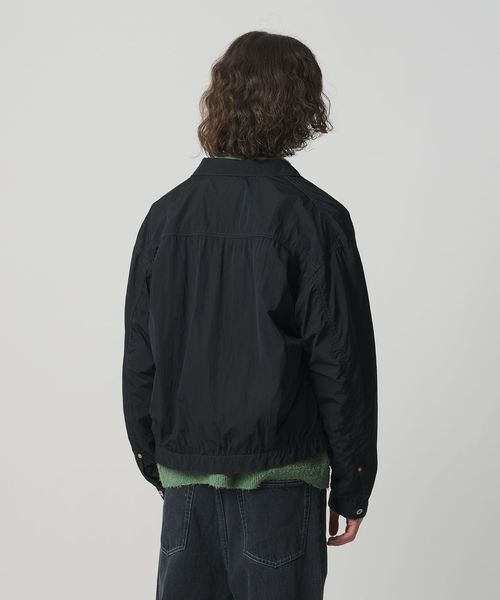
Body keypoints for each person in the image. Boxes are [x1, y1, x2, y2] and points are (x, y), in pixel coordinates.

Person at [122, 30, 378, 600]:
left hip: (186, 484)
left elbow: (141, 355)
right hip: (282, 483)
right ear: (299, 107)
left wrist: (155, 459)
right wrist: (354, 482)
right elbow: (341, 364)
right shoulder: (316, 218)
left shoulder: (164, 218)